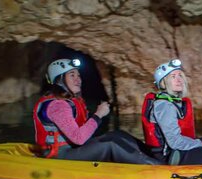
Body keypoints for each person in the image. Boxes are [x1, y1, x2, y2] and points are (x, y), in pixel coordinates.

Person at [33, 58, 162, 164]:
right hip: (58, 155)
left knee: (117, 135)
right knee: (111, 144)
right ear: (59, 80)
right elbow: (78, 139)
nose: (78, 79)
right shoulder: (57, 105)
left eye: (78, 75)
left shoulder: (69, 101)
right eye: (72, 75)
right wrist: (98, 115)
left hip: (72, 148)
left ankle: (156, 156)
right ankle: (157, 168)